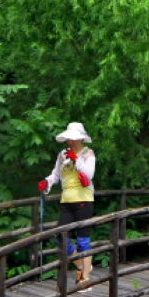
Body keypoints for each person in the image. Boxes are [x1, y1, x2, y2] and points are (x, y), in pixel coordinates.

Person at [38, 121, 98, 287]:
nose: (70, 141)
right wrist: (47, 182)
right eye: (69, 138)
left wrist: (76, 160)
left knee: (83, 240)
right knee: (61, 238)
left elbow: (89, 175)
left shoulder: (88, 154)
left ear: (81, 139)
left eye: (74, 138)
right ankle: (82, 266)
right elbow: (56, 175)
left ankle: (85, 279)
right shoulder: (62, 155)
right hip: (66, 202)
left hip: (84, 200)